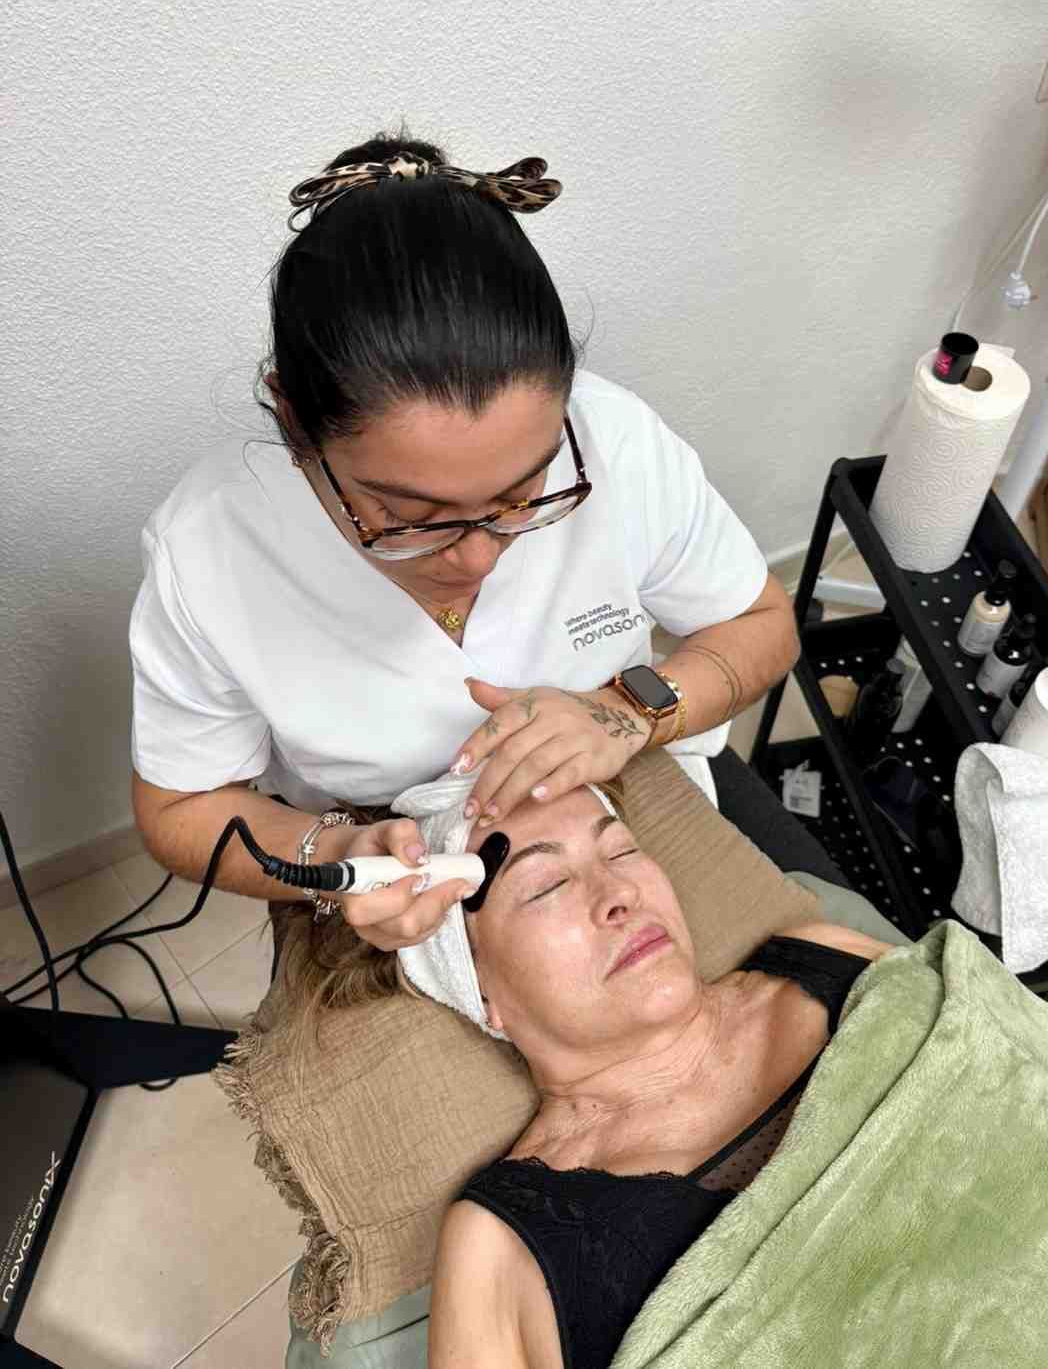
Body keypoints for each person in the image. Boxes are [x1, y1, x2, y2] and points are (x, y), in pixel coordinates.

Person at [129, 127, 822, 957]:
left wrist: (627, 709)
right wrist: (334, 854)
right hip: (389, 857)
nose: (478, 556)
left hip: (633, 783)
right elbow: (180, 809)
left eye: (523, 494)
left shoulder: (616, 443)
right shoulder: (209, 552)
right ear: (293, 421)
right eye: (410, 516)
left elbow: (760, 624)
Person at [412, 778, 895, 1369]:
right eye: (547, 886)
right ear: (480, 989)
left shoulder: (829, 957)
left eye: (621, 850)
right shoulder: (496, 1245)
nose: (619, 893)